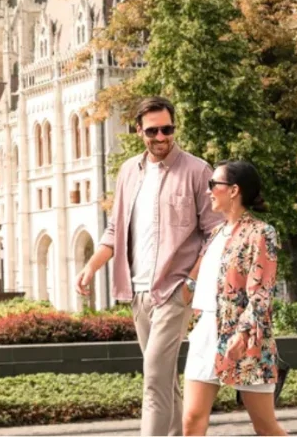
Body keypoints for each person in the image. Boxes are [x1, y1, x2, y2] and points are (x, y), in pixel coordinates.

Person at [76, 96, 223, 436]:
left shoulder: (197, 170)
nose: (161, 138)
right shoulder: (129, 171)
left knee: (154, 380)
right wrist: (91, 266)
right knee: (165, 379)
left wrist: (191, 282)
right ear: (138, 130)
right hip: (137, 291)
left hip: (174, 290)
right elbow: (115, 228)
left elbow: (215, 232)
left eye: (167, 129)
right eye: (153, 131)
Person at [182, 161, 286, 436]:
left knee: (264, 426)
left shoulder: (261, 233)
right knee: (192, 419)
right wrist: (188, 286)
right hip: (206, 331)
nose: (209, 192)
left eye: (213, 185)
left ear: (233, 190)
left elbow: (262, 292)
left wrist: (241, 334)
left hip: (245, 336)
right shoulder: (217, 233)